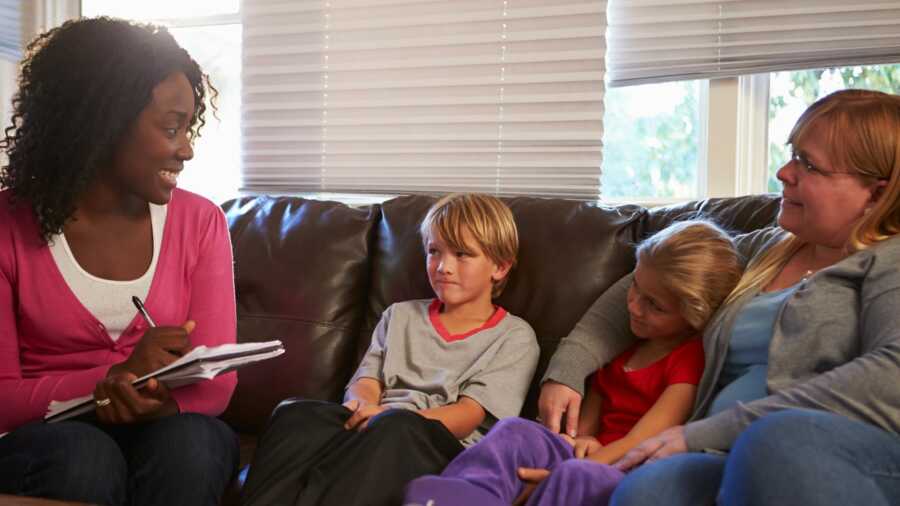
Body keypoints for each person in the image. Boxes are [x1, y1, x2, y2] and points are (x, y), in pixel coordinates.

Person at [539, 89, 900, 506]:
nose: (784, 172)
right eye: (792, 154)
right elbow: (653, 278)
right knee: (647, 493)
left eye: (809, 164)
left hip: (834, 453)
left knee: (775, 441)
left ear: (875, 194)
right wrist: (567, 368)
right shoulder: (767, 247)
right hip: (718, 449)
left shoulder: (888, 262)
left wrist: (709, 431)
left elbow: (891, 377)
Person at [0, 17, 239, 506]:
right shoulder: (6, 226)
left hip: (161, 425)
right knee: (86, 457)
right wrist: (110, 380)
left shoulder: (201, 222)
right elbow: (2, 396)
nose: (187, 149)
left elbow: (218, 383)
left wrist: (148, 398)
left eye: (187, 128)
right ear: (102, 122)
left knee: (194, 444)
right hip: (48, 439)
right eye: (172, 128)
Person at [403, 220, 742, 506]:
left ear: (694, 317)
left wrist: (574, 465)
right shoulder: (624, 350)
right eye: (635, 287)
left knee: (578, 474)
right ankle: (466, 496)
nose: (635, 307)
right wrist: (577, 441)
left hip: (631, 467)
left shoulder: (688, 361)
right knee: (516, 430)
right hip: (595, 456)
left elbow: (642, 442)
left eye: (654, 305)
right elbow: (584, 428)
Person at [241, 193, 540, 506]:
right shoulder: (400, 315)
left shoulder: (514, 337)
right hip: (376, 425)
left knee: (397, 427)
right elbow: (366, 381)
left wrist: (387, 417)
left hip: (442, 445)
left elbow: (468, 414)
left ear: (501, 267)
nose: (443, 267)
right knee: (295, 413)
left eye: (462, 254)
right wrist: (362, 407)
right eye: (434, 251)